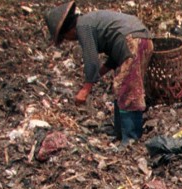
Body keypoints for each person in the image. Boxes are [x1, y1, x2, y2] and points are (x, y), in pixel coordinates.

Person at [44, 2, 153, 144]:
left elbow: (91, 59)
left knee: (127, 88)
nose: (69, 40)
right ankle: (120, 132)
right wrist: (99, 74)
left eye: (65, 37)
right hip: (140, 39)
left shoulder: (83, 26)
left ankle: (131, 137)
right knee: (122, 85)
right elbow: (115, 54)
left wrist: (86, 89)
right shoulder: (89, 21)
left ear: (69, 30)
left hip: (133, 40)